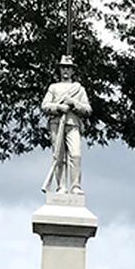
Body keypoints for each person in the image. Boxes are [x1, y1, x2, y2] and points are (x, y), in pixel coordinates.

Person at [41, 55, 91, 194]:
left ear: (72, 71)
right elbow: (45, 106)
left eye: (68, 68)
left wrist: (74, 103)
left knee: (75, 155)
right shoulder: (53, 87)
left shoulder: (79, 89)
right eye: (63, 67)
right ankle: (61, 186)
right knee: (59, 156)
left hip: (73, 124)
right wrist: (58, 107)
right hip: (56, 124)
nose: (66, 71)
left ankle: (75, 186)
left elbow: (87, 109)